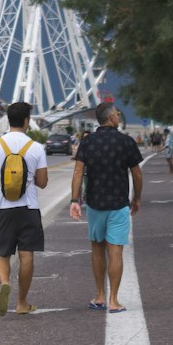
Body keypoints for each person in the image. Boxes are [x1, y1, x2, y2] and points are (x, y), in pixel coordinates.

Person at [69, 102, 142, 313]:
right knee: (116, 250)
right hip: (118, 203)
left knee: (97, 249)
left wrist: (75, 200)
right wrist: (137, 198)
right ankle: (114, 300)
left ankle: (99, 296)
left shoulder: (88, 142)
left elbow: (78, 172)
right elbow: (137, 173)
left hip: (95, 204)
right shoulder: (126, 141)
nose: (118, 117)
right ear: (111, 118)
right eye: (117, 114)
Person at [0, 101, 48, 316]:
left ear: (8, 120)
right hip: (29, 208)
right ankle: (22, 303)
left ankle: (3, 283)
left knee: (1, 253)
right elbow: (43, 182)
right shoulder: (36, 147)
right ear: (27, 121)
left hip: (3, 208)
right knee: (26, 255)